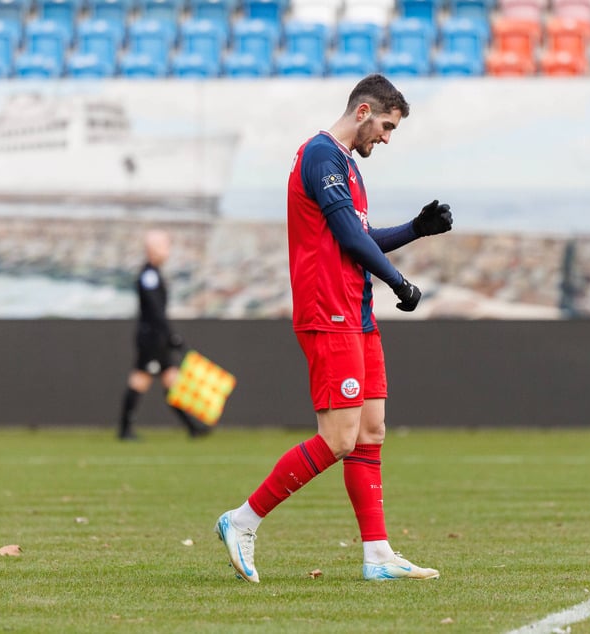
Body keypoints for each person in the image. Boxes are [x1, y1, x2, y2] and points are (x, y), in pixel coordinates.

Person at [214, 74, 452, 583]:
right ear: (363, 112)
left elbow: (359, 235)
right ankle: (242, 520)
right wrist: (399, 282)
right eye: (386, 126)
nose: (387, 138)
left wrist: (415, 228)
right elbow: (347, 235)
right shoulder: (322, 154)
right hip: (329, 312)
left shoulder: (346, 165)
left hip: (356, 312)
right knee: (339, 438)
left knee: (370, 432)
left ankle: (378, 555)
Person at [117, 229, 210, 441]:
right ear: (155, 249)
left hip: (159, 338)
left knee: (172, 380)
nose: (168, 251)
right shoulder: (149, 275)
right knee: (140, 379)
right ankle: (124, 429)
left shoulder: (155, 274)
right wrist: (172, 336)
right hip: (151, 339)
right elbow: (156, 311)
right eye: (166, 246)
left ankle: (192, 427)